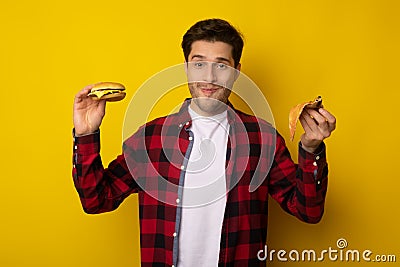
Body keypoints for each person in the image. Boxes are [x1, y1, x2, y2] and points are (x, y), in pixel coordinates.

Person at [72, 18, 336, 267]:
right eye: (199, 63)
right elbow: (96, 200)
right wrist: (85, 135)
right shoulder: (149, 139)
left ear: (236, 72)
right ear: (186, 67)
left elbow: (307, 211)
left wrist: (310, 149)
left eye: (221, 65)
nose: (209, 77)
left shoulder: (263, 139)